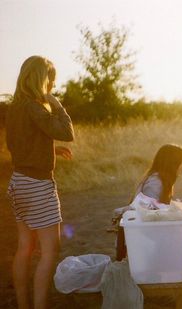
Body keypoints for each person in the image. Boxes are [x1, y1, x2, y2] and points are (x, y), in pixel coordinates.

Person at [6, 56, 74, 309]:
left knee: (25, 247)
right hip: (37, 185)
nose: (53, 85)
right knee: (49, 251)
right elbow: (68, 133)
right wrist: (57, 105)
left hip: (19, 182)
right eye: (51, 79)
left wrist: (51, 151)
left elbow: (21, 145)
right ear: (41, 79)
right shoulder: (36, 107)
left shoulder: (16, 107)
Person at [115, 144, 182, 260]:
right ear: (172, 164)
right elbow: (149, 216)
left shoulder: (160, 180)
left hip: (147, 234)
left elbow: (158, 207)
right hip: (142, 239)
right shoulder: (155, 183)